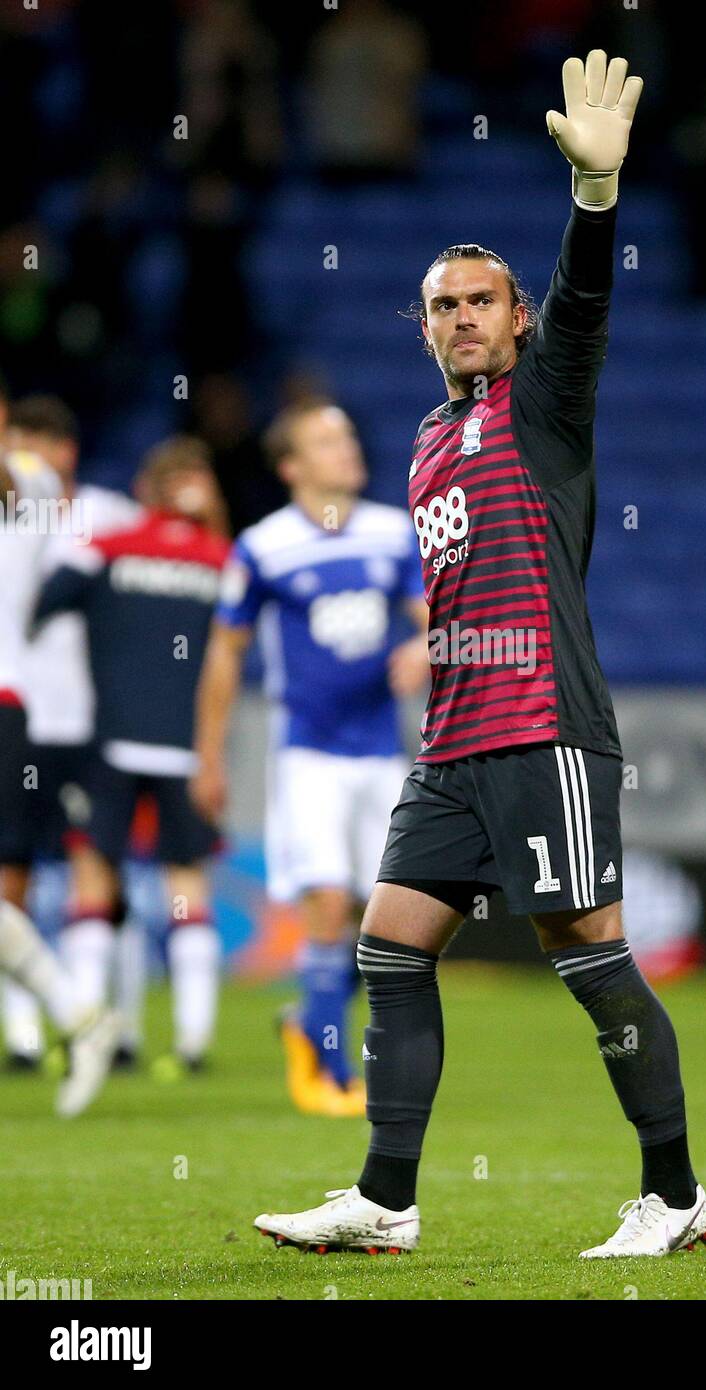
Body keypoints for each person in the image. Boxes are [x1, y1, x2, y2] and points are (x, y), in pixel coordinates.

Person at [254, 51, 706, 1260]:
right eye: (445, 305)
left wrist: (595, 199)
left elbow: (589, 304)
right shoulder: (421, 440)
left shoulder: (546, 396)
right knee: (389, 945)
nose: (464, 317)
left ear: (517, 319)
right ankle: (386, 1200)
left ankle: (673, 1193)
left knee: (589, 954)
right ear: (425, 327)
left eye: (483, 301)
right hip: (452, 741)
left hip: (542, 725)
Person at [193, 400, 428, 1116]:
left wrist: (425, 644)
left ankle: (306, 1018)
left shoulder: (394, 532)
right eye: (326, 441)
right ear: (292, 466)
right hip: (308, 756)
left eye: (348, 436)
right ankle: (327, 1071)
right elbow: (225, 656)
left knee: (381, 920)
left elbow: (433, 617)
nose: (346, 449)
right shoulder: (263, 547)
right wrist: (210, 757)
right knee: (326, 900)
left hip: (379, 755)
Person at [32, 438, 231, 1072]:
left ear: (146, 490)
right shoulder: (223, 559)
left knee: (95, 885)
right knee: (187, 890)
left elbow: (41, 607)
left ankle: (87, 1036)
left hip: (109, 742)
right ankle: (193, 1047)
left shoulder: (108, 549)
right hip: (185, 750)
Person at [3, 394, 143, 1069]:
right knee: (13, 876)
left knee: (97, 866)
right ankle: (29, 1035)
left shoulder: (98, 512)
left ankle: (94, 1018)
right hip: (28, 715)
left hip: (87, 718)